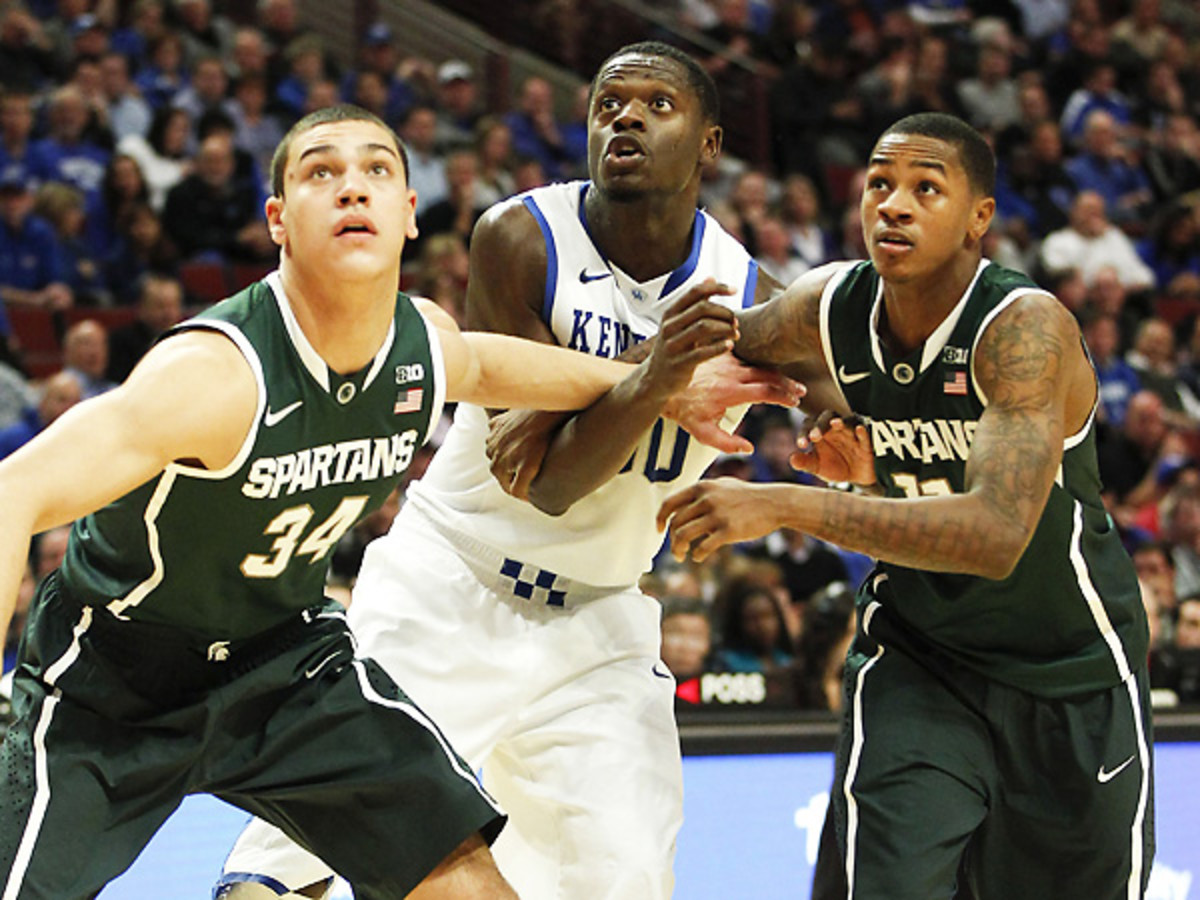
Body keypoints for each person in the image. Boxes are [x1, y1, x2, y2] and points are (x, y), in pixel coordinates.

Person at [0, 103, 746, 900]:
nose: (352, 188)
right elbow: (16, 490)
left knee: (462, 877)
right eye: (322, 172)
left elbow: (489, 366)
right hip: (115, 680)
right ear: (279, 221)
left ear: (410, 214)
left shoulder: (417, 342)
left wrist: (654, 388)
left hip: (280, 664)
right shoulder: (212, 377)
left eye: (377, 171)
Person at [219, 42, 803, 900]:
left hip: (602, 620)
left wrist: (840, 451)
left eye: (656, 105)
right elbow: (548, 481)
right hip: (451, 587)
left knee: (628, 879)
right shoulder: (522, 237)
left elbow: (853, 398)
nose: (627, 119)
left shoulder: (752, 295)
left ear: (711, 145)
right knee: (296, 866)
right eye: (609, 104)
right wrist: (655, 376)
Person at [658, 112, 1153, 898]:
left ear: (978, 218)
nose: (894, 204)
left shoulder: (1022, 331)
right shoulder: (827, 307)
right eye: (881, 184)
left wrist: (792, 505)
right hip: (918, 657)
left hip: (1068, 670)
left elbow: (994, 535)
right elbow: (713, 346)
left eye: (927, 188)